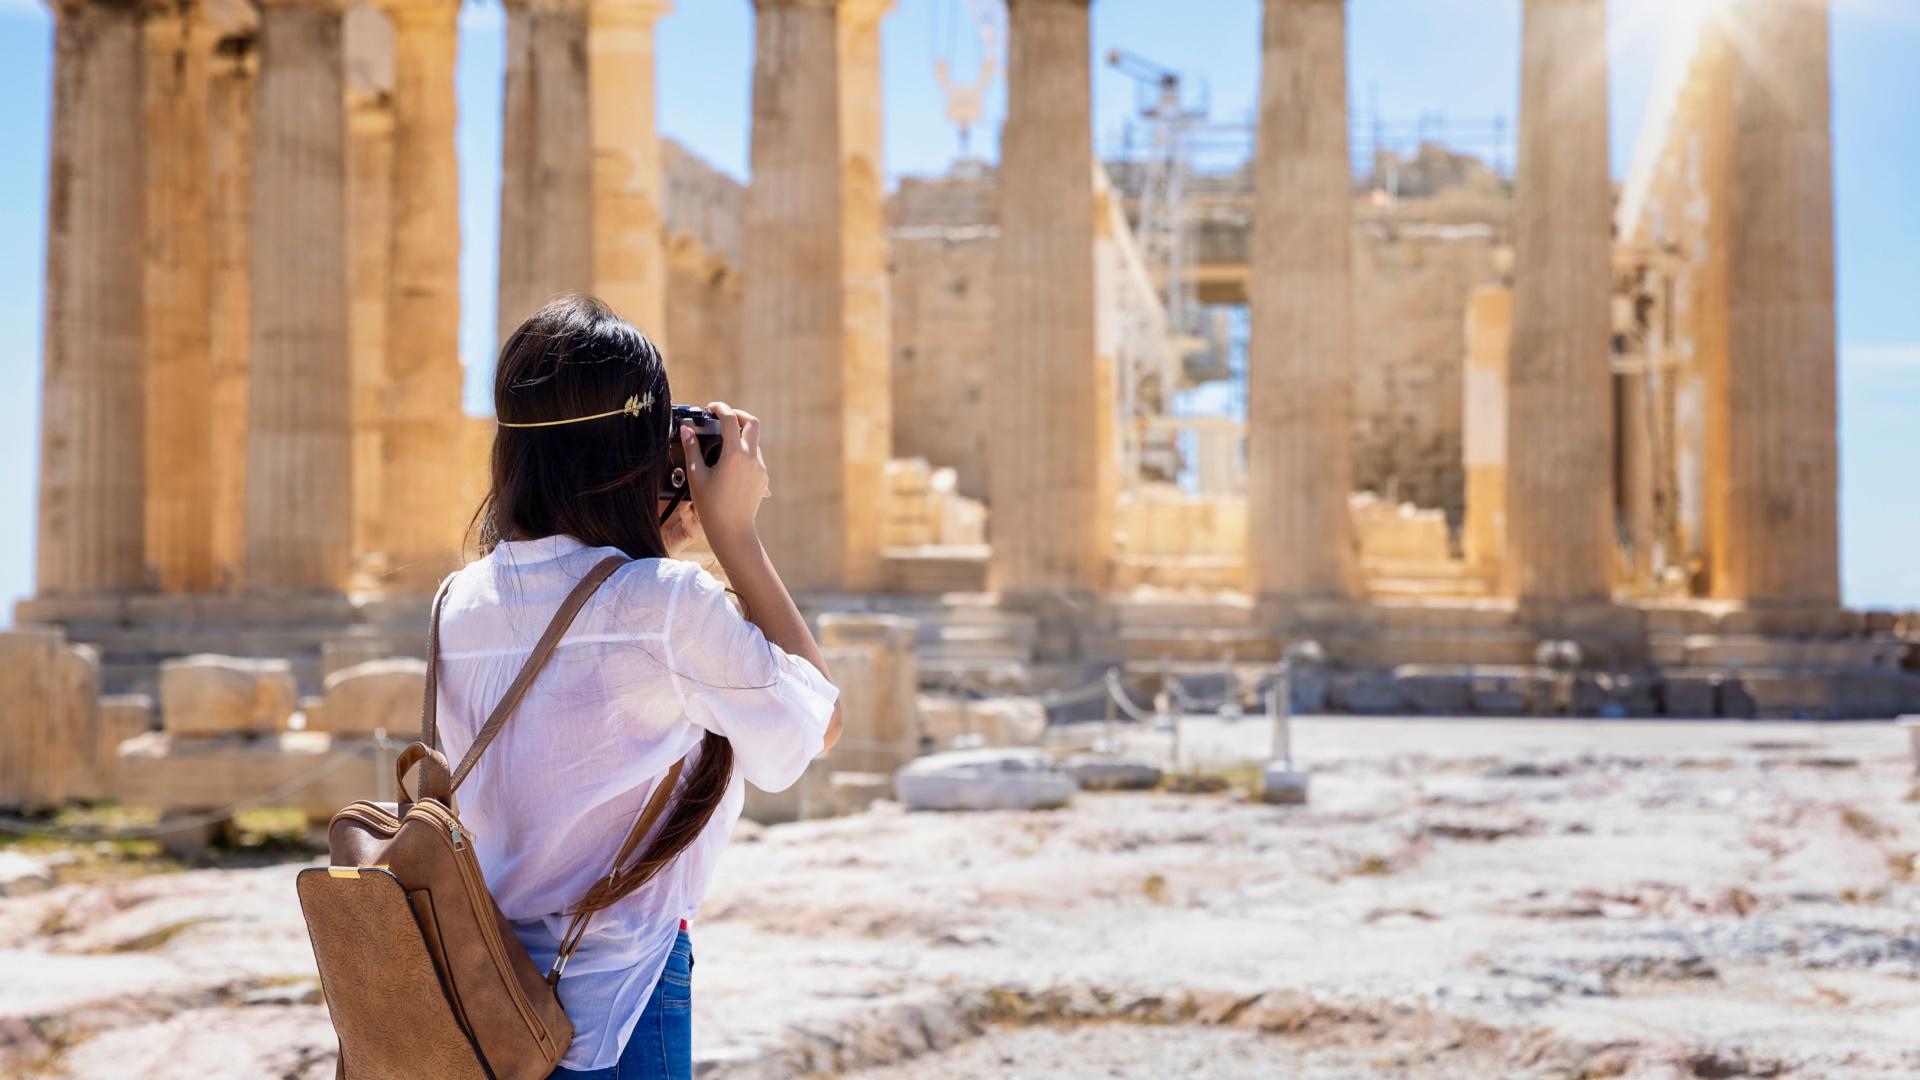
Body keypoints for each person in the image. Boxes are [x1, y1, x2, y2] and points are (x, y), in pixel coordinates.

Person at [432, 294, 841, 1080]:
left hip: (484, 1006)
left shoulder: (457, 602)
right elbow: (813, 728)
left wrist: (648, 539)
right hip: (614, 1007)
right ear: (645, 450)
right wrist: (734, 535)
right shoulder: (664, 604)